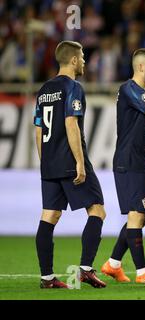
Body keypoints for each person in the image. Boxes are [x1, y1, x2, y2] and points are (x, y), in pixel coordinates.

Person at [34, 40, 106, 289]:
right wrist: (79, 162)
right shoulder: (73, 87)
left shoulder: (44, 89)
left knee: (49, 215)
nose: (85, 61)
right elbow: (70, 123)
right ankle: (86, 269)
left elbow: (38, 128)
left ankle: (47, 277)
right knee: (97, 210)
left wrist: (45, 162)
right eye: (83, 56)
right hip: (69, 160)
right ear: (74, 60)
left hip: (50, 162)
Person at [100, 48, 145, 285]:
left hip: (143, 160)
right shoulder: (130, 89)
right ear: (140, 66)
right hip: (129, 161)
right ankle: (142, 273)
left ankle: (114, 263)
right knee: (137, 215)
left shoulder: (143, 93)